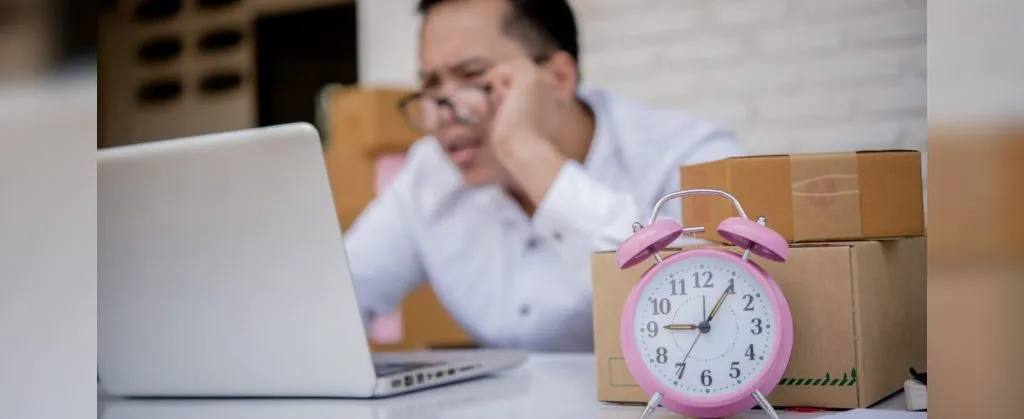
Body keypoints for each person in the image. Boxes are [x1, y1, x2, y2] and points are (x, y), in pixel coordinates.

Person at [345, 0, 745, 352]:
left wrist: (528, 154)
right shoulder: (428, 175)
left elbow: (712, 310)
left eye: (474, 77)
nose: (442, 115)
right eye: (430, 85)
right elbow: (337, 297)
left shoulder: (690, 157)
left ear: (558, 79)